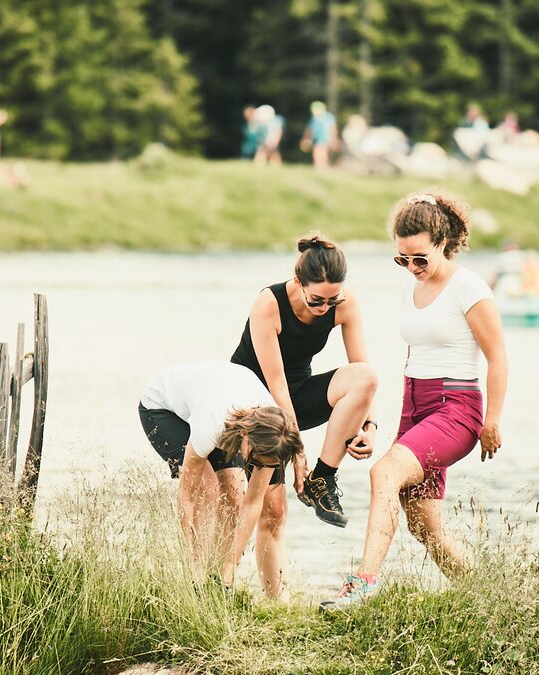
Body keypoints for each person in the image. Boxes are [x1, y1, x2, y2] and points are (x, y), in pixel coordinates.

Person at [321, 192, 508, 610]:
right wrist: (378, 423)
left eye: (420, 258)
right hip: (416, 405)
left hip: (456, 408)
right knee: (424, 526)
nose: (411, 267)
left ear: (443, 242)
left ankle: (363, 583)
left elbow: (498, 357)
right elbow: (416, 355)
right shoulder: (412, 286)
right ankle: (492, 600)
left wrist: (492, 420)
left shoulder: (470, 289)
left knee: (384, 473)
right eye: (401, 259)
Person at [229, 234, 379, 598]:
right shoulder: (269, 304)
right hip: (254, 406)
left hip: (297, 396)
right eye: (317, 300)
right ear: (298, 283)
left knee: (366, 377)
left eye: (332, 300)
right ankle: (275, 602)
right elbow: (276, 385)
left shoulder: (345, 304)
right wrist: (297, 454)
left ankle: (322, 479)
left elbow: (362, 370)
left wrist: (369, 427)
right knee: (274, 509)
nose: (325, 308)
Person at [138, 362, 304, 596]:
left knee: (234, 498)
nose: (258, 465)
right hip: (163, 409)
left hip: (219, 397)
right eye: (256, 459)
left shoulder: (275, 434)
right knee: (208, 490)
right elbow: (188, 497)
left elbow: (252, 503)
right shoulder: (211, 425)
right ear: (244, 435)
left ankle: (219, 584)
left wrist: (231, 565)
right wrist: (192, 561)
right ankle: (196, 582)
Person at [302, 101, 338, 170]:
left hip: (325, 139)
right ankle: (321, 168)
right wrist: (307, 139)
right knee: (319, 154)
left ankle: (321, 168)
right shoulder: (313, 119)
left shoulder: (329, 118)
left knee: (320, 154)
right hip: (316, 139)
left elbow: (332, 130)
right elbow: (309, 130)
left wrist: (334, 140)